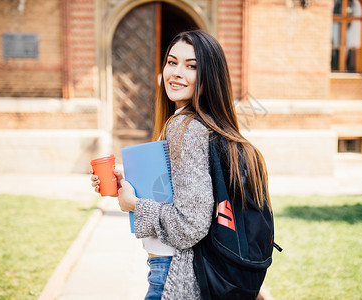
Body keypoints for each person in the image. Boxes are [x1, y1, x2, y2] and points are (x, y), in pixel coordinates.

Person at [90, 30, 271, 300]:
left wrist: (134, 205)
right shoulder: (210, 127)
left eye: (191, 66)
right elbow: (191, 195)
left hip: (177, 277)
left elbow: (189, 225)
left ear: (210, 77)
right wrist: (127, 185)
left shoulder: (184, 127)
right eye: (172, 62)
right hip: (194, 275)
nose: (176, 72)